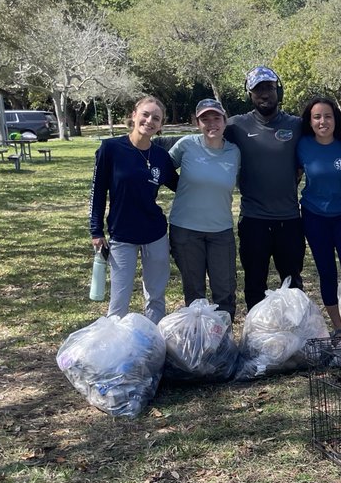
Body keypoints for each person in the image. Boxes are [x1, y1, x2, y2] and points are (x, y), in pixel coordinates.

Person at [88, 95, 177, 324]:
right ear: (134, 115)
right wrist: (96, 231)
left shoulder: (160, 157)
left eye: (156, 118)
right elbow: (98, 192)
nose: (149, 121)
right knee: (119, 302)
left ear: (160, 126)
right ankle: (115, 351)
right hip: (122, 235)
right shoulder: (110, 149)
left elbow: (181, 187)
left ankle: (153, 346)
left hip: (155, 233)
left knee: (156, 298)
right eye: (145, 114)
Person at [224, 66, 304, 311]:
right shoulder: (236, 126)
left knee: (292, 283)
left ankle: (295, 335)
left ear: (277, 90)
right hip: (254, 221)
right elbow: (206, 139)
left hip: (289, 219)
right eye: (258, 89)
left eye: (269, 87)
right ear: (250, 94)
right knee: (254, 284)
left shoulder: (297, 125)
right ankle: (256, 336)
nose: (264, 94)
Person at [167, 98, 241, 320]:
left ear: (225, 121)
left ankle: (224, 343)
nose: (211, 124)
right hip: (186, 230)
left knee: (225, 291)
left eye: (216, 118)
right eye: (205, 119)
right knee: (195, 294)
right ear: (196, 122)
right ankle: (199, 345)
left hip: (221, 231)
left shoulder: (235, 152)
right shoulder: (186, 145)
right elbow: (162, 170)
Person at [296, 96, 341, 332]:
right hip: (314, 216)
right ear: (310, 121)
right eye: (317, 117)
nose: (322, 121)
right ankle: (339, 328)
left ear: (335, 119)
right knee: (326, 271)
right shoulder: (302, 144)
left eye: (327, 116)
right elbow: (291, 176)